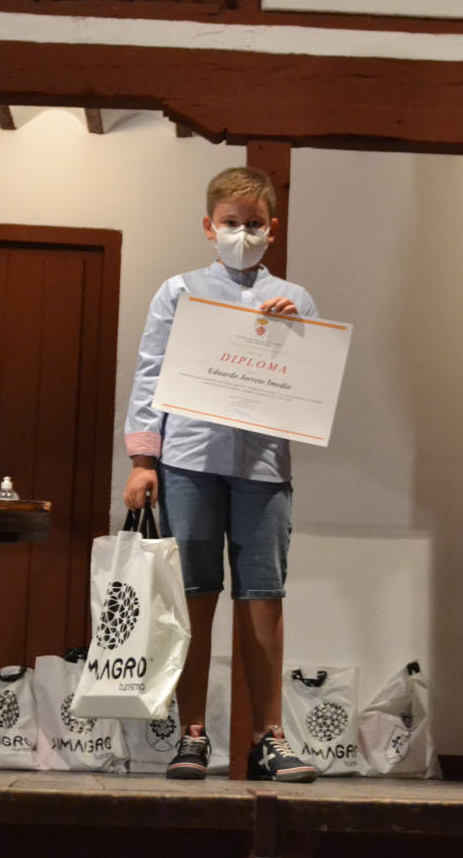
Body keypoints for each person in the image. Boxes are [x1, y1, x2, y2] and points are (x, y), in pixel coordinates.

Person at [123, 166, 319, 783]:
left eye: (254, 224)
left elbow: (313, 386)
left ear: (272, 229)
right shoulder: (177, 291)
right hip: (188, 461)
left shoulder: (295, 299)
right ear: (209, 227)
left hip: (264, 466)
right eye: (231, 223)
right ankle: (192, 736)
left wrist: (296, 334)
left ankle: (270, 738)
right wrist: (142, 459)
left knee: (264, 598)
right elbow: (151, 370)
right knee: (193, 599)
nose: (242, 234)